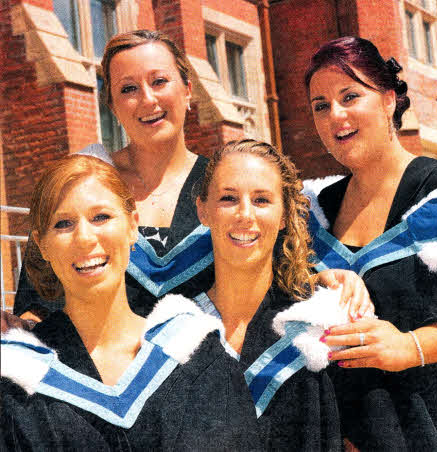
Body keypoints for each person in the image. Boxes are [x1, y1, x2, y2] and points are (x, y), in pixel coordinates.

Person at [13, 30, 371, 323]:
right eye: (128, 88)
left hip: (215, 382)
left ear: (187, 90)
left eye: (159, 81)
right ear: (112, 105)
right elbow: (38, 302)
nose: (147, 99)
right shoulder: (81, 190)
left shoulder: (226, 188)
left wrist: (320, 281)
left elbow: (274, 280)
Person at [1, 155, 262, 451]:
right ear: (42, 244)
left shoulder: (197, 355)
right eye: (63, 224)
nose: (85, 238)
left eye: (101, 217)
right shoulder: (17, 379)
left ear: (132, 225)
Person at [303, 36, 437, 450]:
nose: (336, 115)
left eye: (350, 96)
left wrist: (408, 346)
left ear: (388, 100)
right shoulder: (316, 210)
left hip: (427, 428)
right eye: (321, 105)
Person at [195, 139, 355, 451]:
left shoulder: (320, 328)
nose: (245, 215)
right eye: (228, 198)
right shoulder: (176, 334)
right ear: (203, 210)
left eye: (262, 200)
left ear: (284, 214)